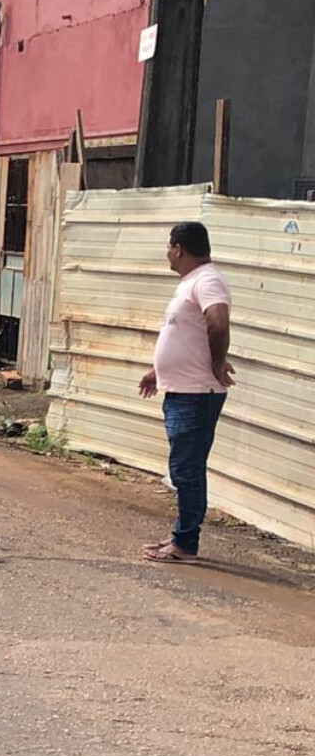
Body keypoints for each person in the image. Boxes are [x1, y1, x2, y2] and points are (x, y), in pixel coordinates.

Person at [139, 221, 235, 564]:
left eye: (169, 247)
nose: (167, 254)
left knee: (187, 470)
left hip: (197, 394)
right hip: (182, 391)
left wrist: (217, 361)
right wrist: (158, 371)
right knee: (184, 469)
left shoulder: (207, 279)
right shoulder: (191, 283)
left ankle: (185, 544)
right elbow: (184, 335)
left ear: (178, 248)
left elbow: (218, 321)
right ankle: (181, 536)